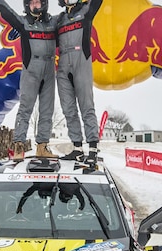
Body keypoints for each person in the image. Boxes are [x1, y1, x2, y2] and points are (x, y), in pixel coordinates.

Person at [0, 0, 58, 161]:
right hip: (31, 69)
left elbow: (74, 17)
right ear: (27, 6)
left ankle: (42, 146)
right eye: (32, 3)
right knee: (25, 108)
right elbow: (6, 11)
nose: (35, 7)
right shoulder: (23, 23)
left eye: (38, 3)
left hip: (49, 68)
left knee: (47, 110)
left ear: (44, 4)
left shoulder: (54, 22)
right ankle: (18, 145)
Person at [56, 0, 102, 165]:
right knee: (68, 109)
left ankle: (93, 149)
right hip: (62, 64)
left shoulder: (86, 10)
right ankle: (77, 148)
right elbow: (41, 30)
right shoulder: (59, 19)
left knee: (86, 106)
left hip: (81, 59)